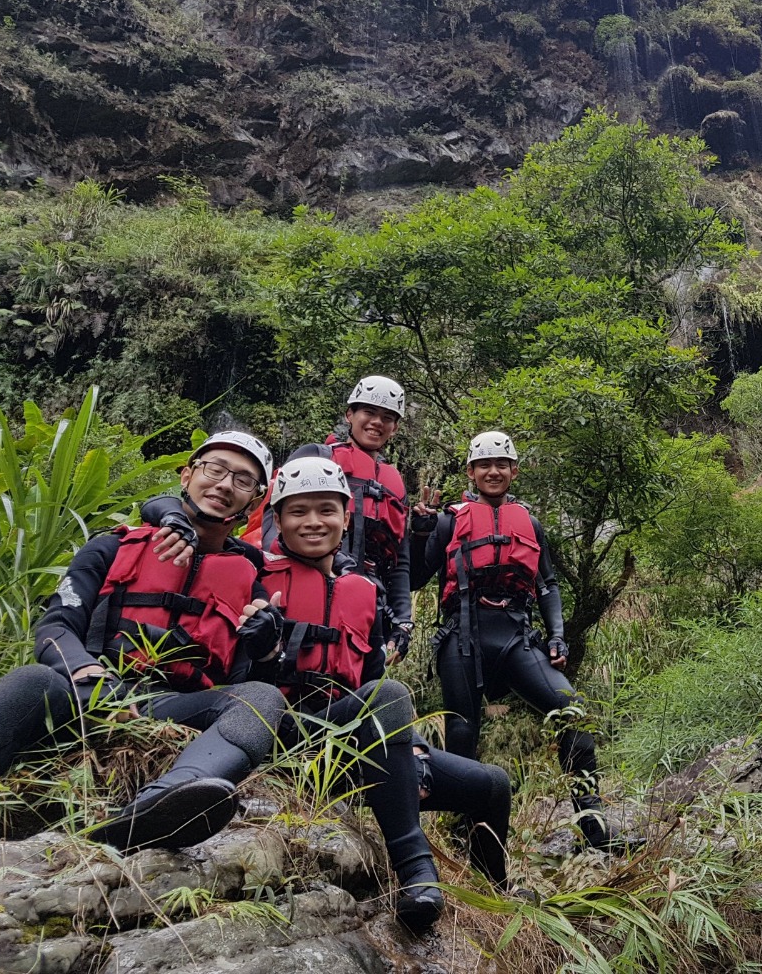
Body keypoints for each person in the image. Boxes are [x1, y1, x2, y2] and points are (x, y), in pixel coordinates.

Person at [246, 449, 512, 930]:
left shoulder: (363, 591)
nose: (313, 522)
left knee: (491, 783)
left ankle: (497, 902)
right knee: (388, 695)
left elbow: (367, 678)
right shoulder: (251, 575)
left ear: (345, 518)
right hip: (284, 740)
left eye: (326, 510)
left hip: (348, 741)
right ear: (277, 518)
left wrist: (406, 749)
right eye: (298, 511)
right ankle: (414, 866)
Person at [29, 431, 287, 852]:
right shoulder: (110, 547)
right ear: (187, 476)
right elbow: (56, 626)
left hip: (175, 705)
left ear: (253, 503)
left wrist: (267, 650)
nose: (224, 484)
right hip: (90, 694)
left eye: (242, 480)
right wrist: (88, 673)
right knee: (32, 681)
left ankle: (164, 803)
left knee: (260, 698)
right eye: (215, 469)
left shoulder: (253, 585)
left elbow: (254, 678)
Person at [411, 431, 627, 852]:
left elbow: (547, 585)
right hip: (463, 637)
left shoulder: (530, 523)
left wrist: (558, 635)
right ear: (471, 472)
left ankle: (595, 827)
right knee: (462, 732)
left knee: (572, 715)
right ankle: (461, 833)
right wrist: (419, 535)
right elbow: (416, 578)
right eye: (484, 465)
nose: (493, 471)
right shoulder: (447, 521)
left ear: (514, 471)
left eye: (502, 464)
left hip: (515, 636)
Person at [258, 377, 413, 667]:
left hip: (368, 600)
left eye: (387, 417)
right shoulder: (317, 455)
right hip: (308, 581)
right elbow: (273, 515)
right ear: (349, 415)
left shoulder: (397, 485)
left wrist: (403, 619)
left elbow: (400, 560)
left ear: (395, 427)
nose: (377, 422)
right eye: (368, 412)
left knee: (356, 684)